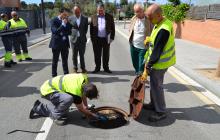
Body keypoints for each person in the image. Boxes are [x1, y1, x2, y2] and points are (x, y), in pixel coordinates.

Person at [142, 4, 176, 122]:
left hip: (159, 63)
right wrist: (150, 40)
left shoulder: (163, 30)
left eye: (151, 17)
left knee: (157, 87)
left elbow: (157, 51)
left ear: (159, 15)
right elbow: (157, 42)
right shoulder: (161, 22)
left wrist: (148, 66)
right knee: (154, 85)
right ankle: (153, 104)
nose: (149, 20)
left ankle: (161, 111)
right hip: (157, 62)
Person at [29, 73, 105, 125]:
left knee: (64, 108)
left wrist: (86, 107)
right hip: (47, 90)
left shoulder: (84, 79)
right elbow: (81, 109)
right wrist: (93, 115)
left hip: (52, 86)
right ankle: (52, 115)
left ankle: (45, 106)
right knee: (68, 99)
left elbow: (83, 96)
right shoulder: (75, 92)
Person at [90, 3, 115, 73]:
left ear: (104, 9)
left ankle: (106, 68)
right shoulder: (93, 17)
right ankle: (97, 68)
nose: (100, 12)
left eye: (101, 10)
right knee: (97, 54)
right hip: (96, 39)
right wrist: (92, 39)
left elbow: (113, 28)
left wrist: (112, 38)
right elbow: (91, 30)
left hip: (106, 39)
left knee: (106, 54)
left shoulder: (109, 17)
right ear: (97, 10)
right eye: (98, 10)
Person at [128, 4, 152, 75]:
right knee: (135, 63)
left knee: (141, 66)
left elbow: (154, 30)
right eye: (135, 11)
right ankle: (138, 74)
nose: (136, 13)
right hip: (133, 45)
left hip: (143, 47)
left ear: (143, 11)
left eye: (138, 11)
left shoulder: (149, 20)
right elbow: (130, 29)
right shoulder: (134, 18)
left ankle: (141, 80)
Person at [49, 8, 72, 77]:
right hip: (56, 44)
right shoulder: (54, 20)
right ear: (60, 13)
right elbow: (55, 31)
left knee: (65, 61)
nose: (65, 16)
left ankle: (66, 74)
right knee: (55, 61)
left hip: (65, 44)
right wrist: (62, 25)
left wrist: (63, 32)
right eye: (64, 14)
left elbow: (69, 31)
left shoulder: (67, 21)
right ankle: (54, 75)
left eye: (66, 15)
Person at [69, 5, 88, 73]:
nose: (76, 12)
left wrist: (81, 34)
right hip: (74, 40)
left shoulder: (85, 18)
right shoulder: (70, 18)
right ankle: (75, 68)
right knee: (74, 55)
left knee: (82, 55)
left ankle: (83, 68)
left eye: (77, 11)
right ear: (73, 11)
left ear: (80, 10)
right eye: (74, 11)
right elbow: (69, 28)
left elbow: (86, 29)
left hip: (82, 40)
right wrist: (73, 34)